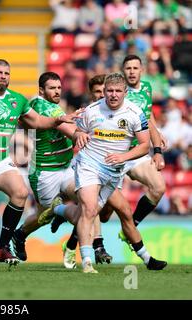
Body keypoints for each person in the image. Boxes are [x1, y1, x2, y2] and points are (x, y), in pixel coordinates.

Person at [0, 59, 82, 271]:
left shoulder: (17, 100)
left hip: (0, 162)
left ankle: (2, 247)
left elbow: (37, 122)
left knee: (19, 192)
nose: (3, 76)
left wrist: (60, 119)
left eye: (6, 73)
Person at [73, 73, 167, 273]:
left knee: (121, 212)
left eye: (117, 91)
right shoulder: (91, 110)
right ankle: (87, 261)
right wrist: (79, 134)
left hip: (114, 171)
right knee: (89, 209)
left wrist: (123, 158)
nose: (113, 95)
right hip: (90, 165)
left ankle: (147, 259)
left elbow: (143, 145)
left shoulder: (135, 113)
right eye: (109, 91)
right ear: (104, 91)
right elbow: (77, 131)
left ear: (125, 92)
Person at [10, 72, 92, 266]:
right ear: (41, 90)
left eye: (58, 88)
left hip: (65, 169)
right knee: (43, 216)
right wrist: (79, 133)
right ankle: (19, 235)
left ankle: (77, 248)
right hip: (44, 173)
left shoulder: (55, 107)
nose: (57, 92)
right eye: (52, 88)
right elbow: (68, 129)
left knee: (88, 202)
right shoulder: (41, 106)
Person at [46, 74, 114, 267]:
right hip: (89, 167)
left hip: (111, 167)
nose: (102, 95)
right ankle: (98, 246)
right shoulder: (87, 114)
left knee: (101, 212)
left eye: (105, 91)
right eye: (98, 92)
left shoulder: (118, 112)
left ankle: (63, 222)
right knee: (100, 208)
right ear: (91, 94)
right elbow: (75, 135)